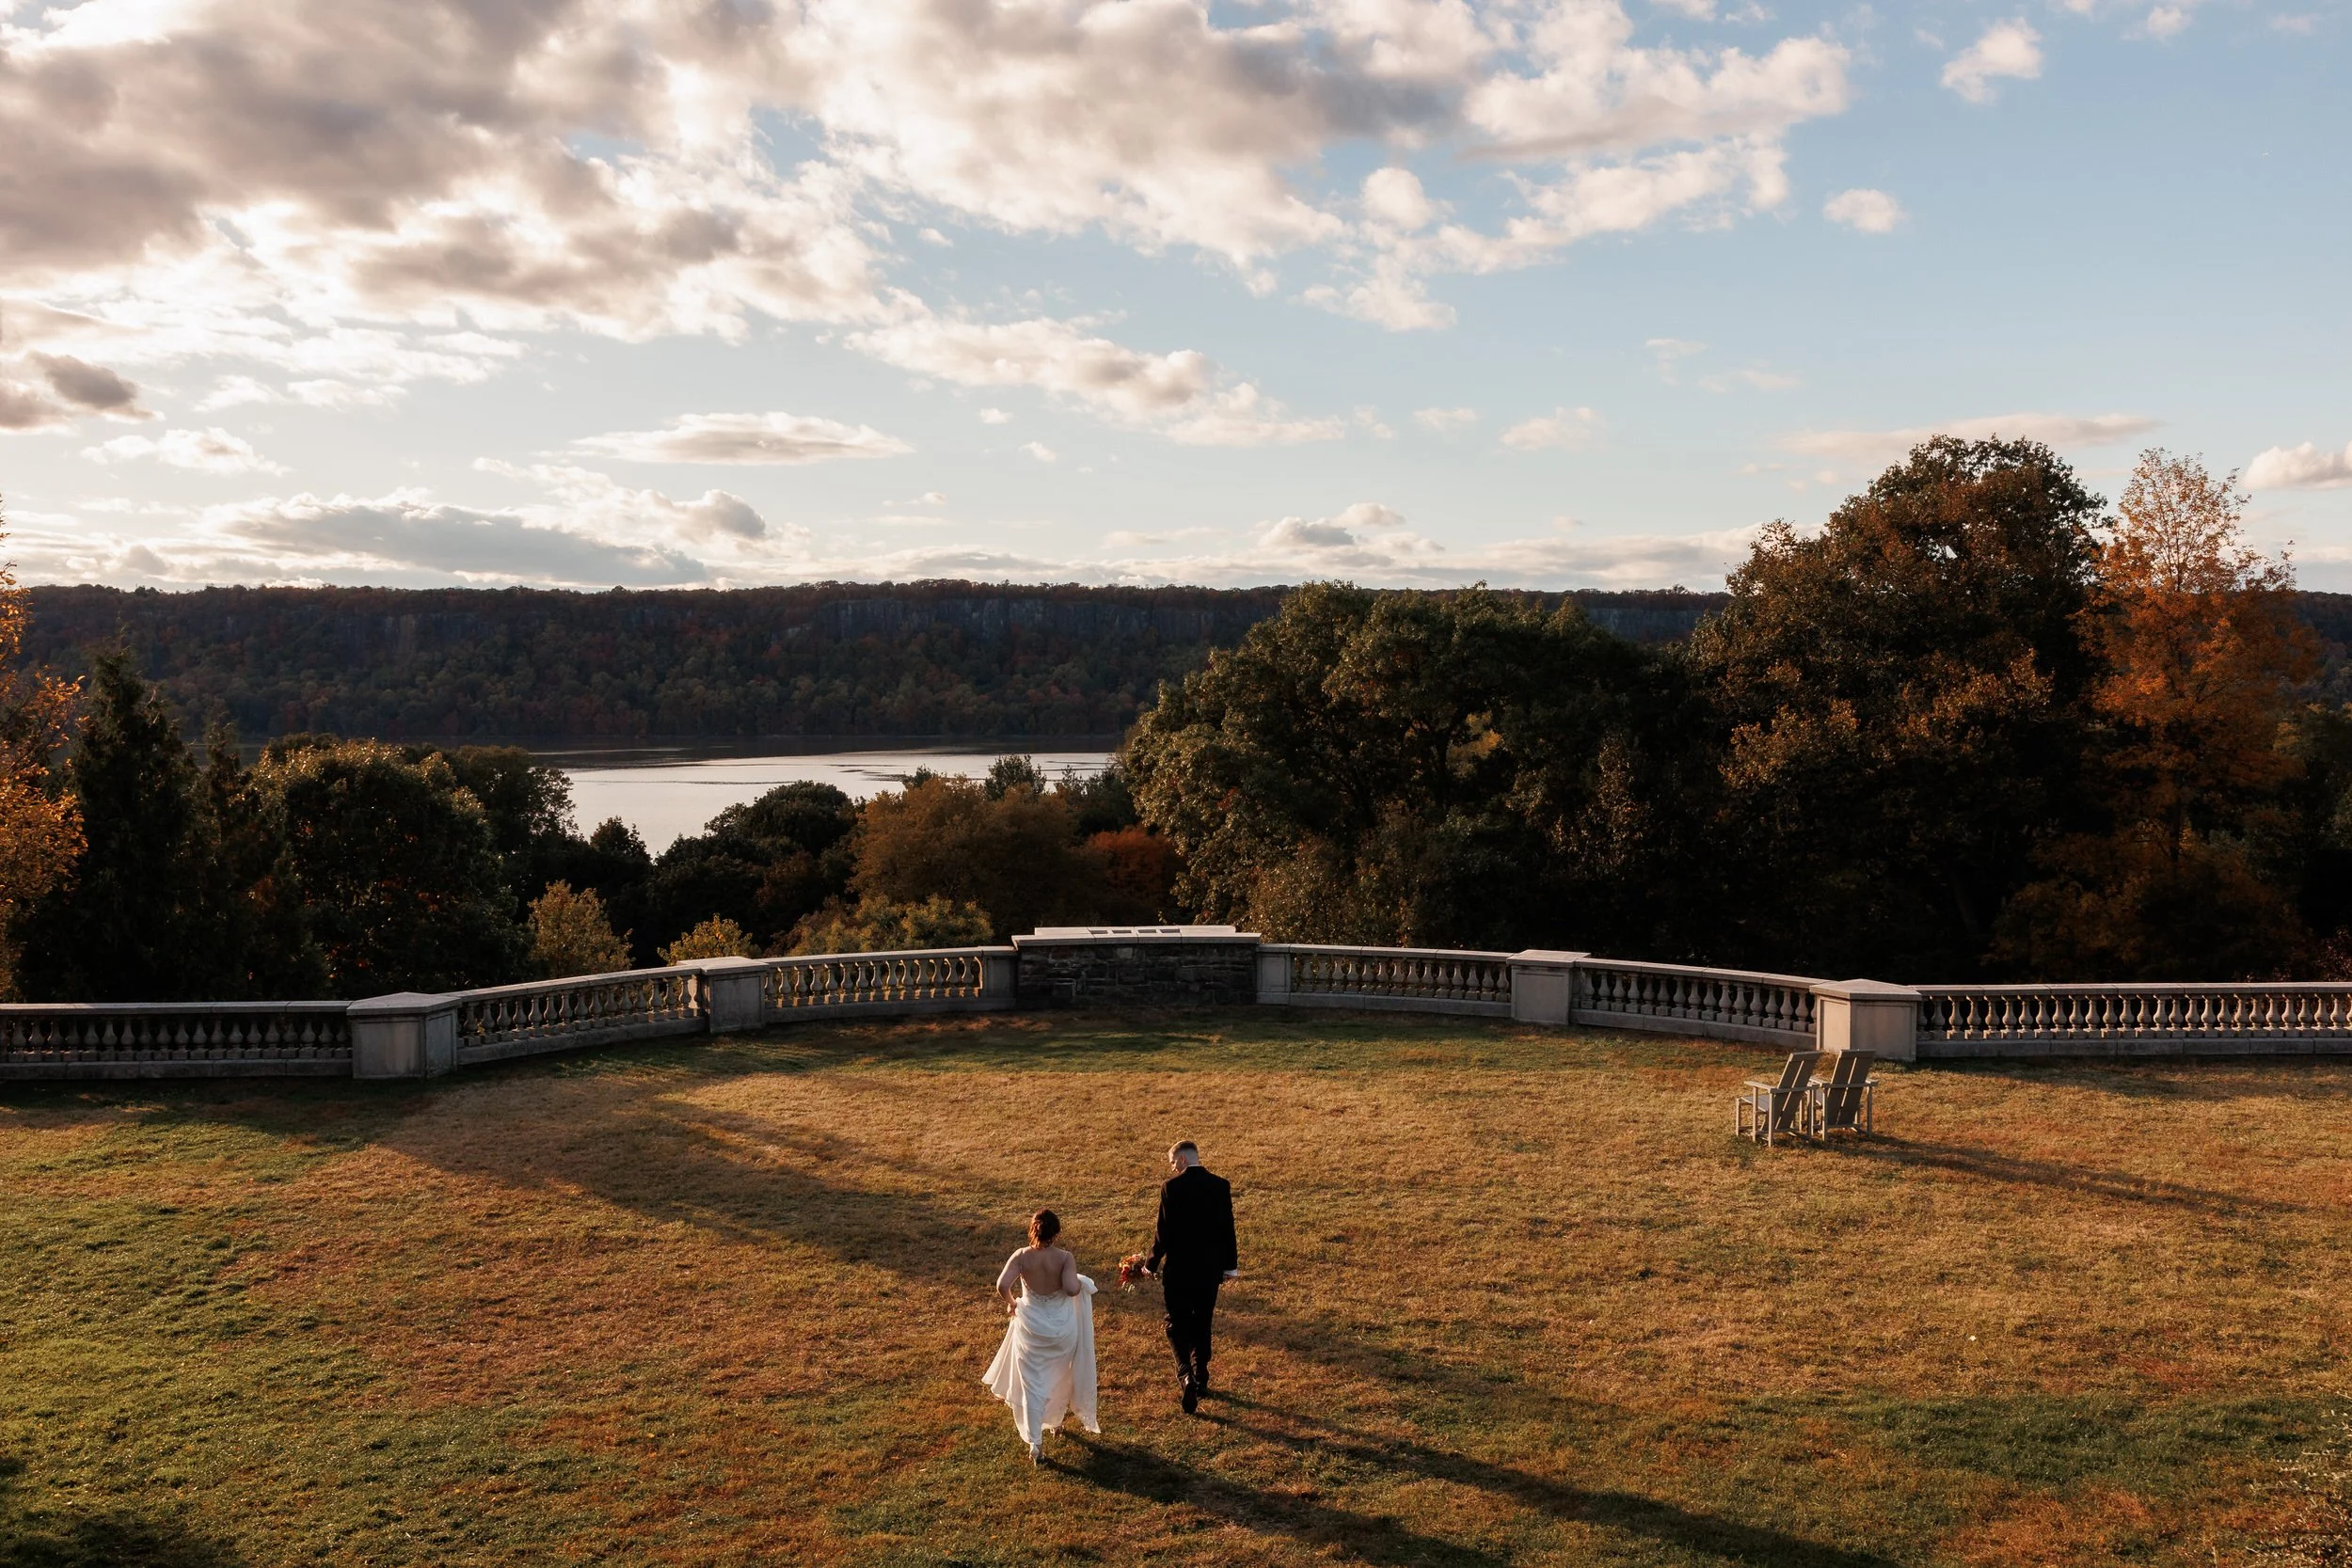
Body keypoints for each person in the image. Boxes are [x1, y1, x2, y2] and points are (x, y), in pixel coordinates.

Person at [982, 1208, 1098, 1464]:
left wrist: (1012, 1302)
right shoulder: (1065, 1258)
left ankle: (1036, 1443)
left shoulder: (1022, 1256)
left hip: (1031, 1329)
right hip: (1061, 1329)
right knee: (1059, 1375)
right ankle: (1056, 1421)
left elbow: (1002, 1285)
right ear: (1056, 1233)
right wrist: (1080, 1282)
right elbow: (1070, 1290)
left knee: (1032, 1385)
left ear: (1032, 1230)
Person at [1144, 1139, 1238, 1415]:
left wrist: (1151, 1264)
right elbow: (1226, 1229)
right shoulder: (1220, 1186)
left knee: (1175, 1323)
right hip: (1209, 1270)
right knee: (1202, 1322)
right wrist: (1230, 1267)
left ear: (1183, 1160)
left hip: (1179, 1270)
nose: (1172, 1168)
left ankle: (1185, 1374)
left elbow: (1163, 1232)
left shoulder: (1171, 1188)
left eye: (1173, 1162)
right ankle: (1202, 1377)